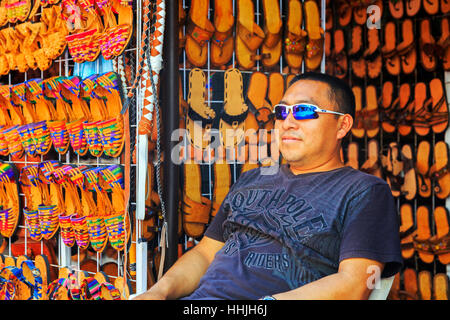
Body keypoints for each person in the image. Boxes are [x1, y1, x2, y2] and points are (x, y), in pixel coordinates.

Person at [133, 72, 402, 300]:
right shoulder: (254, 178)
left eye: (305, 111)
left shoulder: (364, 191)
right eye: (282, 111)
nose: (288, 122)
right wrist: (159, 292)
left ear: (342, 125)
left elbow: (355, 284)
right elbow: (205, 254)